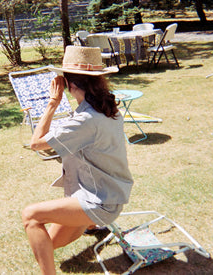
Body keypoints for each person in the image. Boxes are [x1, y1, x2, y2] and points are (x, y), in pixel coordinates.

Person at [21, 46, 134, 274]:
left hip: (98, 202)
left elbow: (36, 143)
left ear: (70, 85)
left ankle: (90, 221)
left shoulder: (86, 119)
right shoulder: (108, 109)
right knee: (46, 246)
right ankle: (90, 225)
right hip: (107, 195)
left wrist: (52, 102)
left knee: (30, 216)